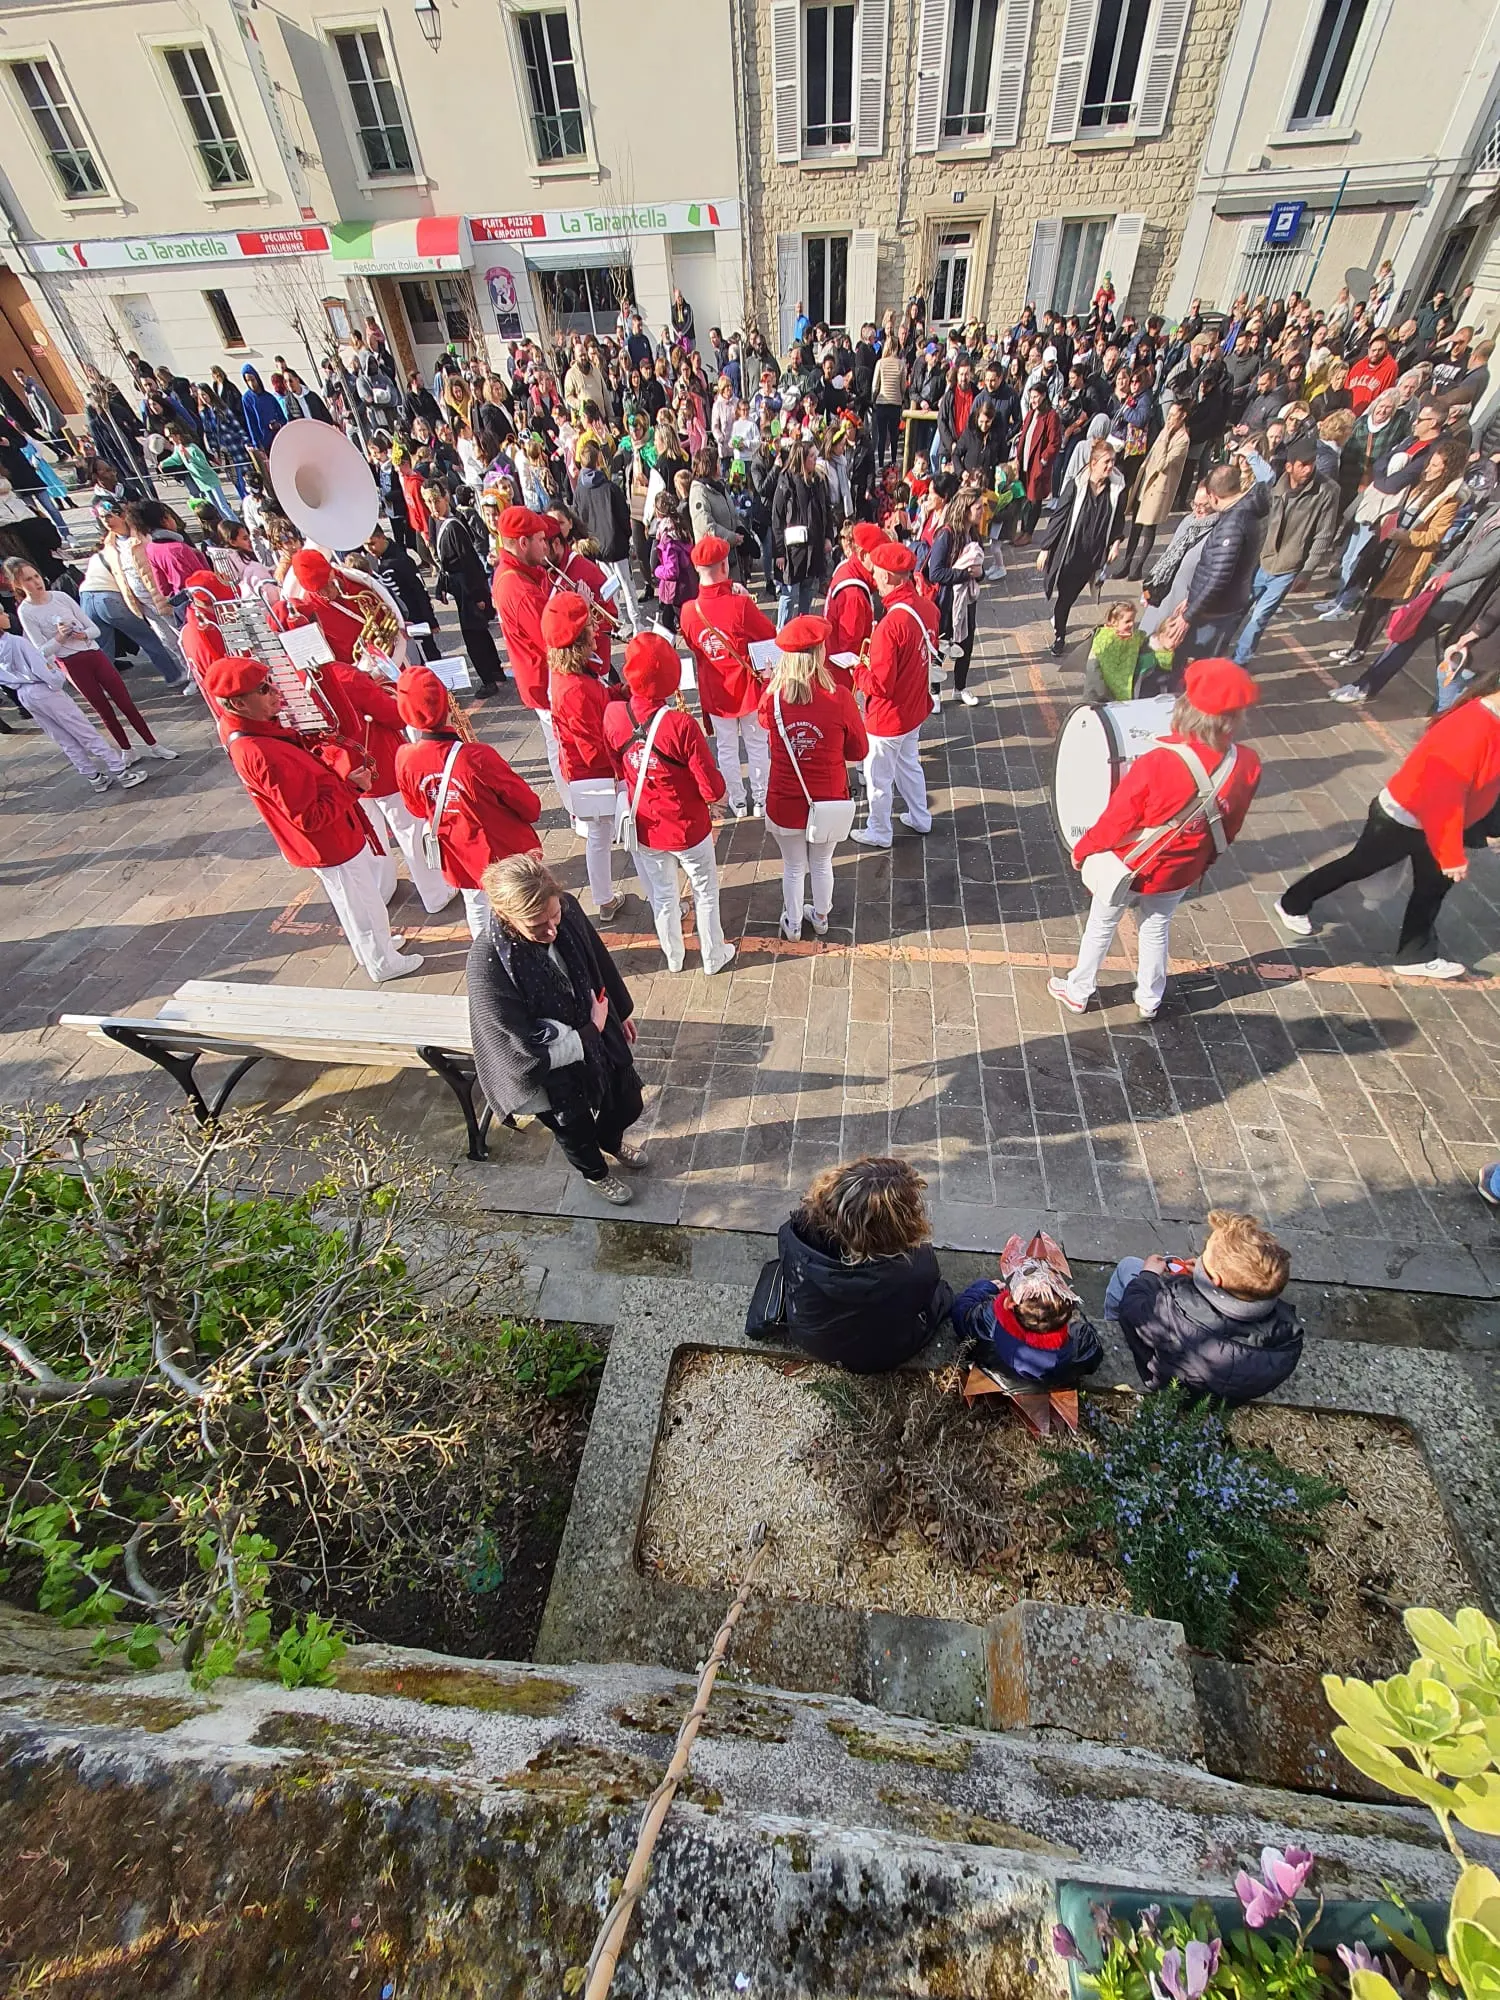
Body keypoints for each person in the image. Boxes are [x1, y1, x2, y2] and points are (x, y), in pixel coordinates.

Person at [1049, 658, 1263, 1022]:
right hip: (1182, 868)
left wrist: (1083, 850)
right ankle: (1149, 998)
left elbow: (1117, 821)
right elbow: (1230, 824)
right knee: (1157, 927)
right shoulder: (1247, 762)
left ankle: (1079, 989)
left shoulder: (1157, 762)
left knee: (1102, 923)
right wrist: (1204, 863)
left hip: (1131, 864)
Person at [1275, 664, 1500, 979]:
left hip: (1437, 823)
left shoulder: (1490, 720)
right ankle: (1292, 902)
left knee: (1432, 888)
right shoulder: (1472, 727)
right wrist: (1451, 855)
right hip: (1405, 819)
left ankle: (1415, 956)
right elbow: (1442, 797)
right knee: (1357, 866)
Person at [208, 654, 422, 982]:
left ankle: (374, 950)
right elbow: (309, 816)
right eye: (264, 689)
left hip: (327, 841)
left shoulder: (245, 731)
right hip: (329, 841)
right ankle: (383, 962)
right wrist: (351, 788)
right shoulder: (261, 753)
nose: (275, 692)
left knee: (355, 903)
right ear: (238, 703)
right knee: (363, 904)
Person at [467, 851, 643, 1206]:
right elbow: (514, 1047)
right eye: (536, 925)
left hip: (593, 1027)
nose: (552, 930)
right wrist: (590, 1031)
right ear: (505, 916)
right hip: (550, 1068)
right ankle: (597, 1174)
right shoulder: (488, 963)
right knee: (573, 1128)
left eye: (555, 916)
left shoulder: (566, 906)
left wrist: (620, 1011)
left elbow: (596, 957)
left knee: (626, 1099)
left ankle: (611, 1139)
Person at [604, 629, 734, 974]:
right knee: (705, 891)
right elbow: (710, 787)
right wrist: (721, 798)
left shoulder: (614, 715)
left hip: (645, 825)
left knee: (663, 896)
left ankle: (674, 957)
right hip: (687, 827)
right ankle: (713, 955)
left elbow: (618, 766)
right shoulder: (680, 724)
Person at [749, 1157, 951, 1372]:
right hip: (877, 1357)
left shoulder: (793, 1232)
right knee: (943, 1296)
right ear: (896, 1228)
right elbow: (921, 1297)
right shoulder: (917, 1267)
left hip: (809, 1336)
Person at [394, 664, 542, 940]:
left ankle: (487, 953)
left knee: (475, 903)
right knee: (521, 904)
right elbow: (529, 807)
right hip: (500, 850)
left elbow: (415, 808)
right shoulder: (477, 756)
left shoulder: (404, 757)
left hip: (458, 852)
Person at [1105, 1210, 1302, 1405]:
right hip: (1221, 1398)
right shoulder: (1289, 1336)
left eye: (1205, 1255)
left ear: (1216, 1280)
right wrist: (1202, 1279)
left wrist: (1148, 1275)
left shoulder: (1169, 1311)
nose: (1199, 1258)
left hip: (1169, 1383)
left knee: (1129, 1266)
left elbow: (1134, 1308)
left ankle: (1109, 1325)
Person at [758, 613, 868, 939]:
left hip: (785, 799)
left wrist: (769, 681)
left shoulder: (772, 699)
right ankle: (820, 917)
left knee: (793, 866)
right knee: (821, 862)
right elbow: (858, 750)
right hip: (828, 798)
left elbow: (766, 724)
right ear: (820, 653)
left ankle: (792, 924)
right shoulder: (840, 697)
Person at [8, 559, 176, 764]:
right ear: (18, 584)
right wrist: (60, 637)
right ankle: (127, 749)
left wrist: (82, 634)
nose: (36, 582)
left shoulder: (60, 597)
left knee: (125, 703)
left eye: (35, 576)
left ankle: (154, 744)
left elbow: (94, 629)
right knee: (103, 709)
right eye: (28, 579)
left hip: (94, 655)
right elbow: (41, 651)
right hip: (71, 663)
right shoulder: (26, 611)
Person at [0, 602, 149, 794]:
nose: (6, 616)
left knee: (62, 737)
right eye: (2, 613)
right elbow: (41, 669)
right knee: (83, 730)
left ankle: (93, 776)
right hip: (43, 689)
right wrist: (56, 676)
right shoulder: (17, 642)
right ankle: (120, 771)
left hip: (24, 694)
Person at [678, 532, 776, 817]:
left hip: (715, 692)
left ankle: (737, 800)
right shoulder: (741, 605)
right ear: (724, 567)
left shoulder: (688, 611)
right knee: (757, 745)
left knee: (726, 748)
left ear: (697, 570)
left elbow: (695, 648)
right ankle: (761, 799)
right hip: (747, 689)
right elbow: (769, 636)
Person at [852, 541, 938, 847]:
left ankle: (879, 830)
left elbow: (879, 685)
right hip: (914, 708)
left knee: (878, 777)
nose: (873, 578)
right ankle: (920, 816)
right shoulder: (927, 608)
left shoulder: (890, 625)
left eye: (876, 573)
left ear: (890, 577)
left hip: (888, 718)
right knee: (909, 765)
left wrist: (857, 670)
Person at [1229, 435, 1340, 666]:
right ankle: (1218, 649)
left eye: (1312, 464)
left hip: (1288, 566)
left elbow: (1324, 534)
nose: (1309, 469)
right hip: (1260, 560)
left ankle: (1239, 662)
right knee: (1237, 609)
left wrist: (1308, 570)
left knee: (1259, 617)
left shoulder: (1327, 491)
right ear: (1290, 466)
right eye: (1303, 464)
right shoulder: (1275, 486)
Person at [544, 588, 619, 920]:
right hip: (596, 775)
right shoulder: (576, 688)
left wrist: (618, 693)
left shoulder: (570, 677)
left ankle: (604, 899)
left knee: (600, 837)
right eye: (590, 628)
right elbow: (593, 748)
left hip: (582, 774)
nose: (596, 631)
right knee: (634, 836)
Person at [1154, 462, 1271, 664]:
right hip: (1219, 606)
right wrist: (1192, 597)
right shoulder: (1247, 513)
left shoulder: (1233, 524)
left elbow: (1218, 576)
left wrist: (1187, 616)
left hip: (1215, 612)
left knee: (1194, 665)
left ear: (1213, 495)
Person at [951, 1237, 1103, 1387]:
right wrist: (1076, 1318)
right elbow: (1093, 1359)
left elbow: (961, 1313)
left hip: (999, 1373)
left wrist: (983, 1287)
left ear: (1010, 1302)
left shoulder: (988, 1320)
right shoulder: (1081, 1342)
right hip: (1050, 1384)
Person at [492, 504, 564, 792]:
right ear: (523, 543)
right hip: (543, 679)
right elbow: (552, 637)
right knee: (561, 747)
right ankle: (580, 812)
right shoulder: (518, 588)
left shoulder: (520, 575)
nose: (545, 545)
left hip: (537, 675)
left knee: (556, 745)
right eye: (540, 539)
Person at [1039, 437, 1125, 655]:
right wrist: (1046, 548)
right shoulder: (1077, 485)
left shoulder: (1116, 489)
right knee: (1065, 598)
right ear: (1092, 463)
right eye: (1106, 462)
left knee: (1072, 595)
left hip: (1092, 556)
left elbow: (1118, 520)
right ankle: (1060, 635)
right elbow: (1059, 517)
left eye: (1112, 461)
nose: (1110, 466)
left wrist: (1115, 543)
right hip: (1071, 552)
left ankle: (1059, 618)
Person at [424, 476, 503, 692]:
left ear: (446, 498)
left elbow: (470, 564)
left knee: (474, 635)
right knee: (478, 632)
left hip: (468, 587)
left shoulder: (454, 526)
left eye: (436, 501)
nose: (433, 507)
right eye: (429, 503)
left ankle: (489, 678)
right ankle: (495, 671)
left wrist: (479, 596)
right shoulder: (437, 522)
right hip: (458, 586)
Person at [572, 438, 639, 633]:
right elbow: (623, 516)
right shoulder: (610, 488)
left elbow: (578, 518)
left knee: (610, 588)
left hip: (597, 546)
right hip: (616, 544)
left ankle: (620, 623)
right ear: (598, 461)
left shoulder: (580, 491)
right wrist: (627, 538)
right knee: (627, 586)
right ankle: (636, 624)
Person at [1120, 402, 1189, 580]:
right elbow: (1152, 455)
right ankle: (1126, 564)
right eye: (1170, 414)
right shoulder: (1164, 430)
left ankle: (1138, 567)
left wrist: (1166, 437)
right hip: (1146, 482)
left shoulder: (1182, 440)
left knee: (1148, 528)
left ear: (1183, 417)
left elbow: (1162, 463)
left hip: (1158, 488)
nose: (1170, 419)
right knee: (1134, 525)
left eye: (1174, 416)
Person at [772, 438, 831, 625]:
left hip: (814, 547)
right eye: (812, 456)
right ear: (802, 459)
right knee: (789, 594)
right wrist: (779, 552)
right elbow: (777, 517)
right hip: (793, 549)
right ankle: (781, 632)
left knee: (808, 590)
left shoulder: (819, 480)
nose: (815, 460)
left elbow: (826, 510)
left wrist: (828, 536)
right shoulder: (787, 481)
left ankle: (803, 627)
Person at [824, 520, 883, 684]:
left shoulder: (846, 567)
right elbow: (850, 651)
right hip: (845, 678)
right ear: (864, 555)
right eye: (878, 555)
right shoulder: (853, 595)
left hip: (833, 664)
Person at [1084, 599, 1173, 703]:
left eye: (1133, 620)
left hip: (1123, 695)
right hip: (1101, 695)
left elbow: (1154, 653)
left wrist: (1164, 649)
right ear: (1114, 622)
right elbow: (1094, 668)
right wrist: (1103, 693)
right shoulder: (1103, 640)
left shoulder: (1135, 638)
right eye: (1127, 621)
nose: (1132, 624)